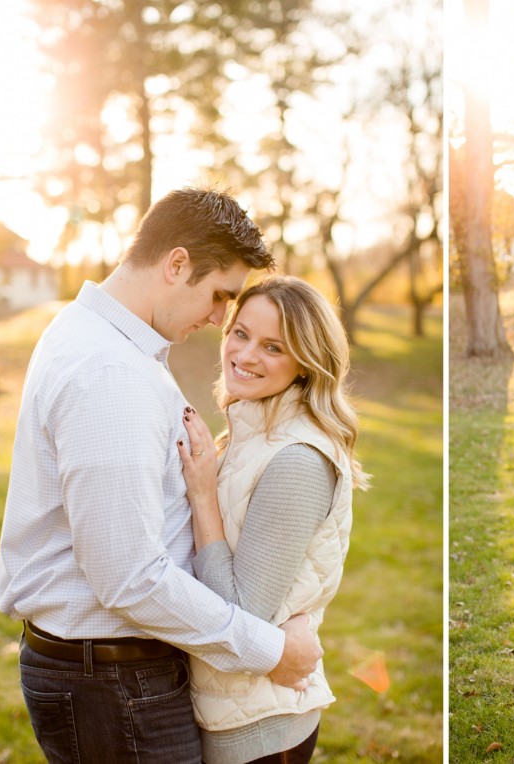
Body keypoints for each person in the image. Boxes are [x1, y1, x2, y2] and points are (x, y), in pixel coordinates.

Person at [0, 187, 323, 764]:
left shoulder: (102, 339)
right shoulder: (109, 373)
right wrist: (272, 650)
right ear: (176, 264)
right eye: (219, 294)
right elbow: (128, 578)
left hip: (113, 675)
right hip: (114, 684)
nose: (223, 318)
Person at [176, 275, 368, 764]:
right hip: (231, 705)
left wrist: (203, 495)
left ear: (306, 363)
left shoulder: (296, 460)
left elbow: (243, 613)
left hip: (261, 727)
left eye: (273, 347)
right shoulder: (250, 432)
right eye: (240, 333)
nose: (245, 355)